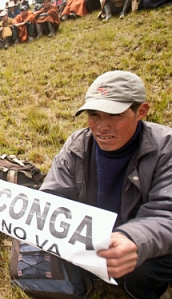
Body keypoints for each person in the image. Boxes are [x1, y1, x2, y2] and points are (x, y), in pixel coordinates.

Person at [38, 71, 172, 298]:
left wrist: (134, 239)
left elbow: (166, 212)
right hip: (91, 238)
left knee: (144, 268)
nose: (101, 126)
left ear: (141, 111)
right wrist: (16, 210)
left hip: (135, 241)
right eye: (94, 115)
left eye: (114, 115)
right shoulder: (77, 144)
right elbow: (53, 194)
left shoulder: (165, 147)